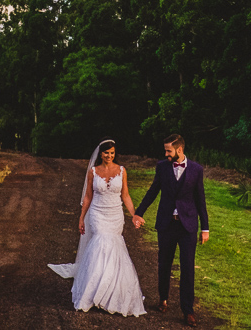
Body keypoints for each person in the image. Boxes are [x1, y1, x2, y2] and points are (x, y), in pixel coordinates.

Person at [48, 139, 147, 317]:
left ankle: (113, 294)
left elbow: (125, 196)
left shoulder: (122, 171)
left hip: (115, 215)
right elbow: (87, 197)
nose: (109, 156)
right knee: (100, 243)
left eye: (112, 153)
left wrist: (134, 215)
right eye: (106, 153)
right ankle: (93, 292)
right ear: (100, 154)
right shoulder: (93, 172)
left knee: (114, 247)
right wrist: (81, 218)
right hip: (97, 213)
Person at [132, 134, 209, 328]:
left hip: (187, 227)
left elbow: (201, 200)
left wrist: (205, 228)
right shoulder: (162, 167)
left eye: (169, 150)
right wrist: (138, 212)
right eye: (165, 150)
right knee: (164, 264)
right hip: (166, 224)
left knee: (187, 268)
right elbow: (152, 191)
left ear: (179, 150)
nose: (165, 154)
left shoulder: (196, 170)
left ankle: (188, 310)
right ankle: (163, 298)